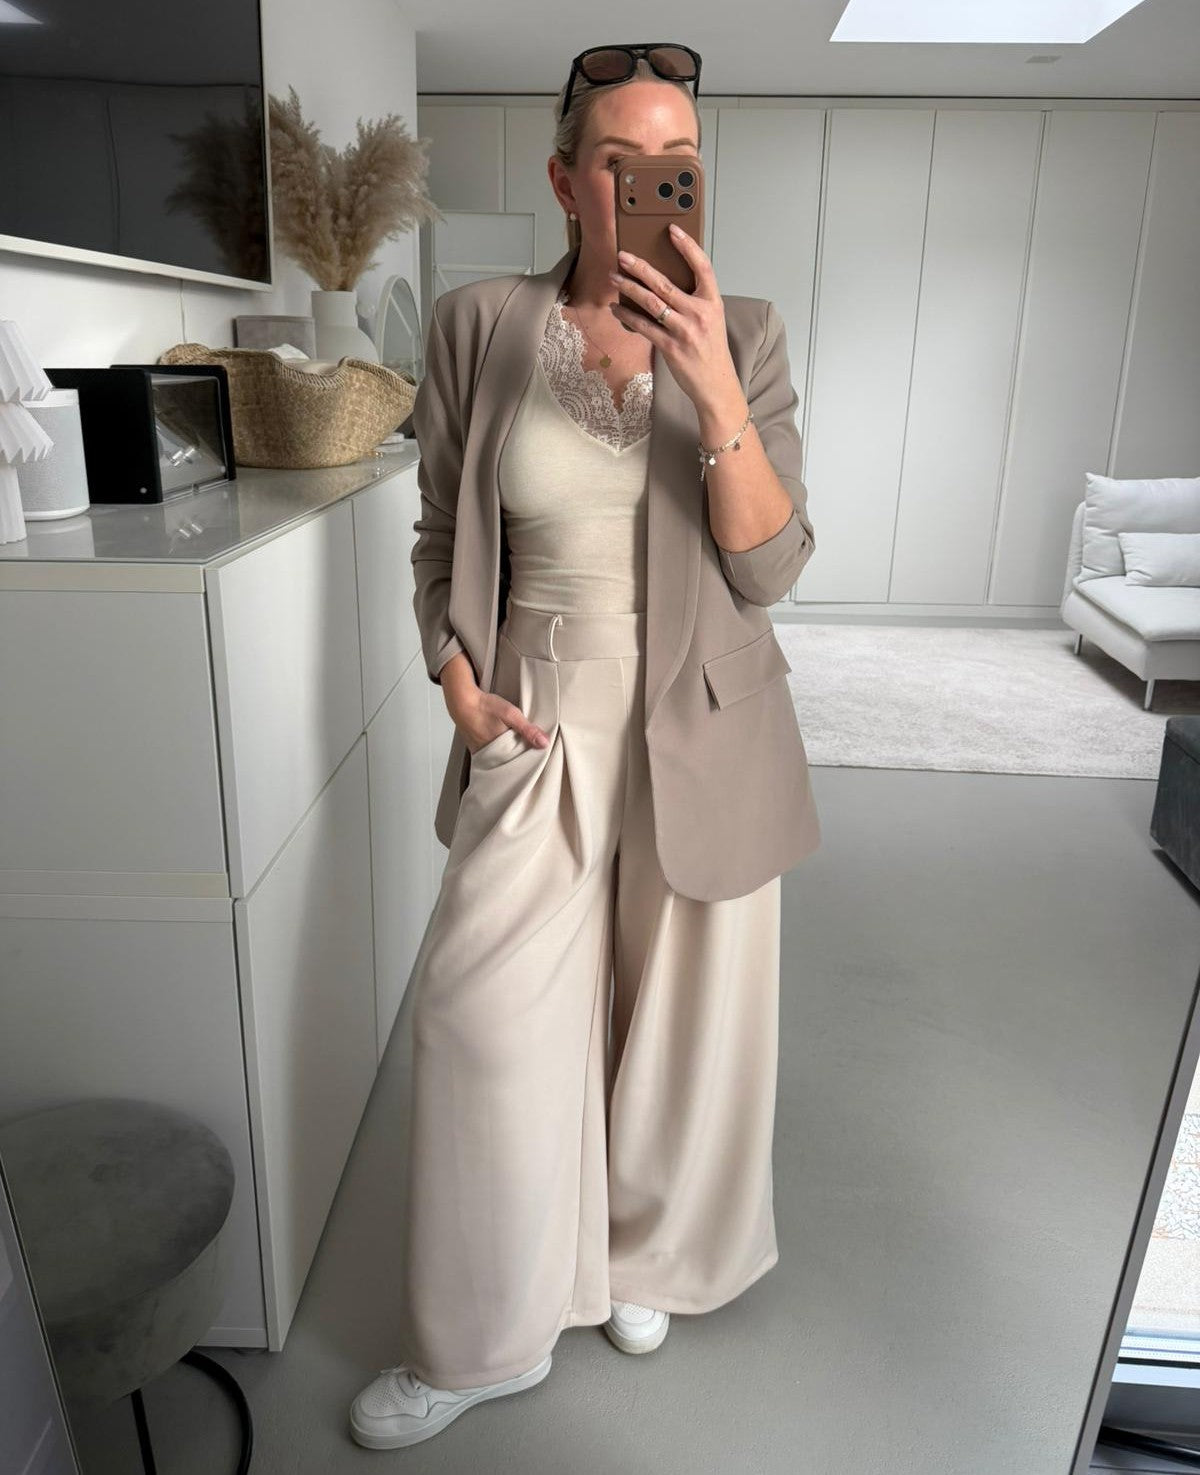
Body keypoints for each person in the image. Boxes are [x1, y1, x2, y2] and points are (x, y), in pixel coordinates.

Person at [349, 41, 819, 1451]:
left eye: (678, 166)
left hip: (704, 712)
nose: (651, 188)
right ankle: (479, 1339)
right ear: (567, 182)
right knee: (483, 1020)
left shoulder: (749, 330)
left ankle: (641, 1258)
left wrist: (714, 388)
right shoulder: (478, 322)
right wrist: (453, 675)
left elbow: (771, 567)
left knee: (677, 1031)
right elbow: (438, 530)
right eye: (620, 164)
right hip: (536, 716)